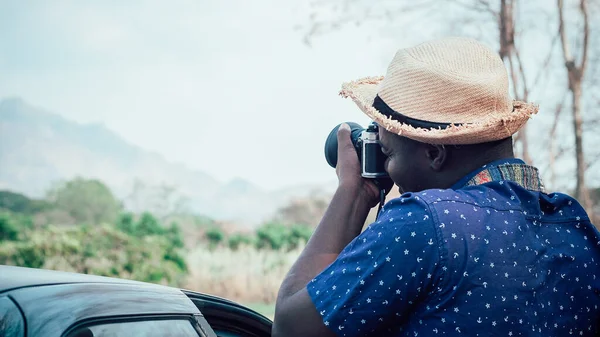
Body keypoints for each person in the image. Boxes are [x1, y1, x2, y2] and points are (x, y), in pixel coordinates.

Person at [271, 37, 600, 337]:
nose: (387, 169)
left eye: (387, 153)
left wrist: (353, 193)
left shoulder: (426, 223)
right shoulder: (575, 225)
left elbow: (290, 328)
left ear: (434, 153)